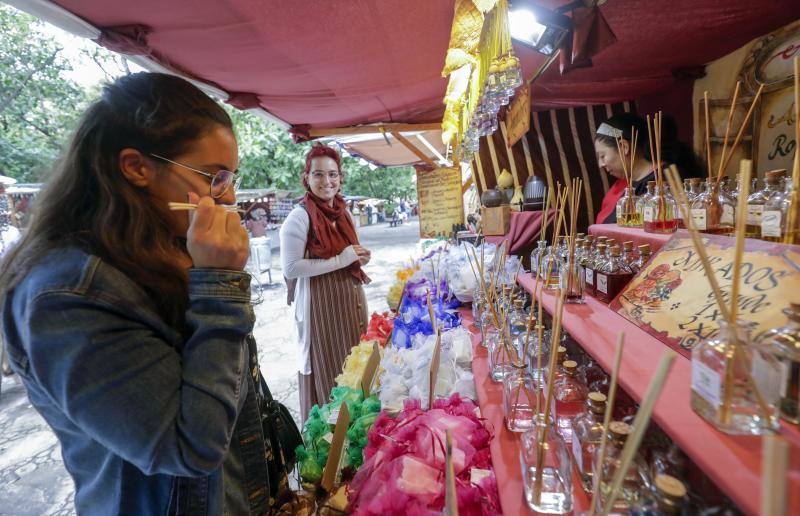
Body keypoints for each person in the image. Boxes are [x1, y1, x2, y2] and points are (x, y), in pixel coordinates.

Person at [0, 72, 293, 515]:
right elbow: (190, 450)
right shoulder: (66, 295)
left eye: (231, 177)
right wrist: (219, 282)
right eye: (213, 177)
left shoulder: (162, 249)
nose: (229, 195)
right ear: (136, 167)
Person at [280, 145, 371, 422]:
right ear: (306, 177)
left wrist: (359, 258)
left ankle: (358, 433)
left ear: (340, 177)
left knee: (357, 371)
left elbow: (349, 254)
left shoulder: (344, 214)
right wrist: (341, 260)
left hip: (350, 306)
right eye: (318, 174)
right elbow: (291, 267)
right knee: (332, 376)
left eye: (332, 174)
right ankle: (334, 450)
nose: (326, 182)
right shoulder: (299, 217)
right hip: (322, 315)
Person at [594, 112, 701, 224]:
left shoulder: (664, 180)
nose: (601, 164)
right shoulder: (625, 183)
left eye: (602, 156)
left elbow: (644, 224)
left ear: (624, 147)